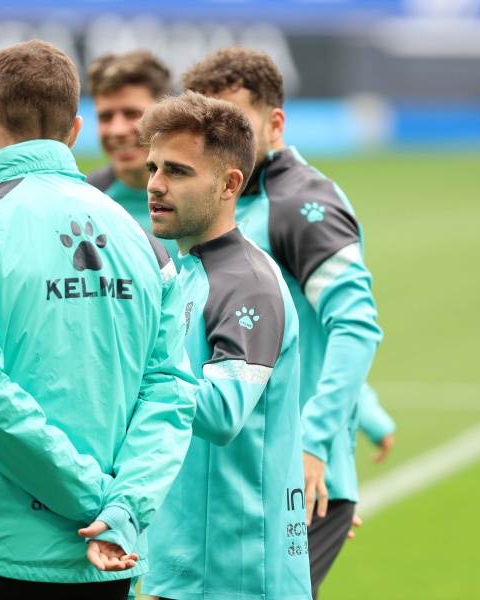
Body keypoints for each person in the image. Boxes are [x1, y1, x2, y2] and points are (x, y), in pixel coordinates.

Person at [0, 39, 197, 600]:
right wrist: (121, 508)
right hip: (109, 552)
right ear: (76, 129)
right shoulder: (146, 243)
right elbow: (171, 390)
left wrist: (89, 499)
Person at [180, 46, 384, 598]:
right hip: (230, 478)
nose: (219, 142)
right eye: (207, 128)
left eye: (235, 124)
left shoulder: (299, 204)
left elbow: (355, 326)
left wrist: (314, 445)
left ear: (274, 124)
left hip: (287, 477)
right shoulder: (215, 207)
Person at [139, 91, 312, 600]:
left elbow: (220, 413)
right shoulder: (188, 272)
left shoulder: (247, 284)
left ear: (230, 184)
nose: (155, 185)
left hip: (238, 571)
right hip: (190, 564)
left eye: (177, 171)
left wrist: (127, 370)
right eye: (153, 168)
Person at [85, 50, 181, 267]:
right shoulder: (81, 201)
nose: (117, 130)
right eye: (105, 117)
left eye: (132, 114)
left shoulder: (210, 199)